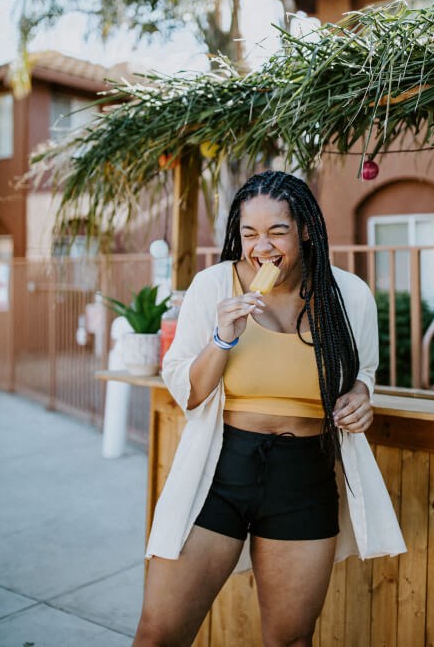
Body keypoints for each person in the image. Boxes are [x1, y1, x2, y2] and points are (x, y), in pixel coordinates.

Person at [133, 170, 405, 647]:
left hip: (305, 476)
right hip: (220, 472)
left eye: (277, 231)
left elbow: (365, 373)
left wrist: (361, 396)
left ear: (304, 229)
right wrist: (222, 338)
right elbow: (189, 392)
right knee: (158, 635)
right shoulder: (214, 286)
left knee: (290, 640)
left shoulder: (349, 295)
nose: (262, 247)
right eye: (250, 233)